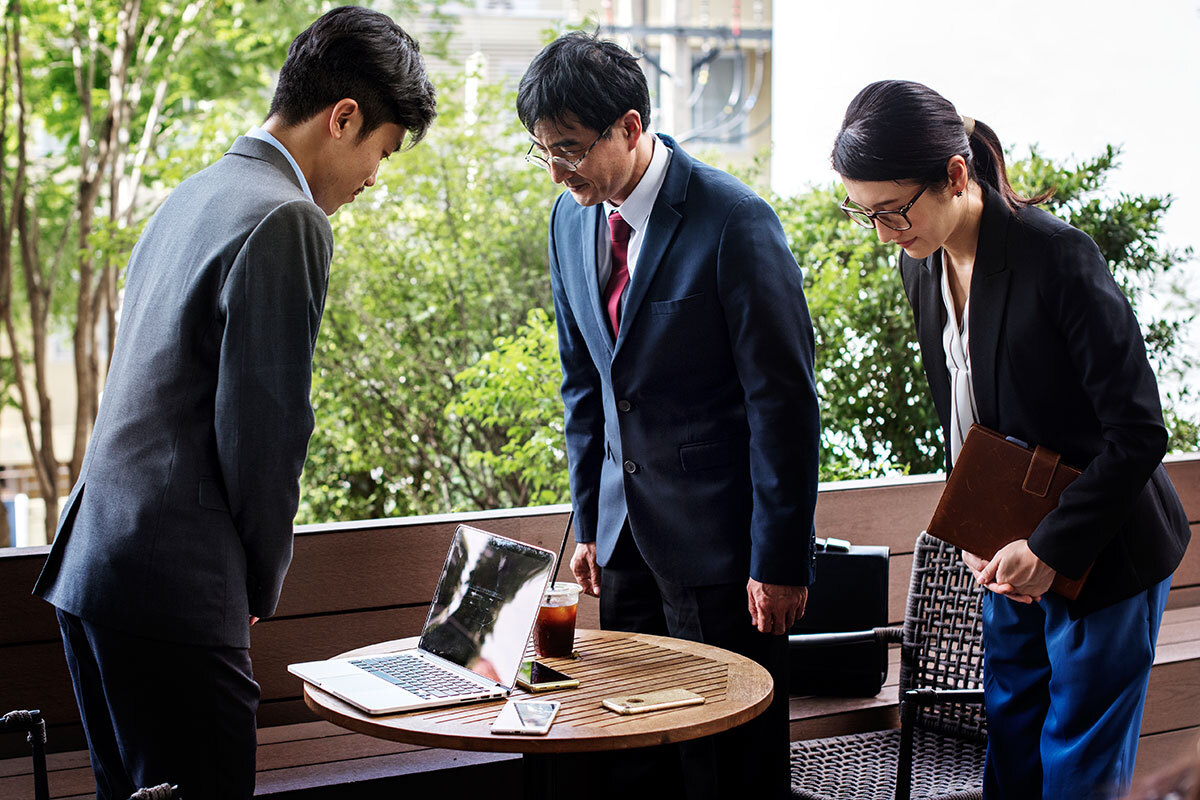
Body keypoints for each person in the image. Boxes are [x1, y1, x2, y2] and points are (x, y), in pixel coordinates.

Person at [32, 7, 436, 798]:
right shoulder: (289, 217)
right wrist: (255, 581)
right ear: (343, 117)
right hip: (175, 589)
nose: (372, 179)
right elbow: (266, 428)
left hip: (96, 571)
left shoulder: (192, 194)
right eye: (380, 152)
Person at [831, 79, 1190, 800]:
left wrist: (1051, 548)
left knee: (1077, 768)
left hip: (1101, 553)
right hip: (1002, 551)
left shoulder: (1057, 258)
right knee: (1012, 748)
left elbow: (1139, 430)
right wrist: (978, 529)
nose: (883, 234)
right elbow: (972, 421)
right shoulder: (920, 264)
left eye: (892, 212)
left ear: (955, 176)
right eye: (863, 213)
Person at [516, 32, 820, 800]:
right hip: (622, 546)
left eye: (571, 149)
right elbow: (583, 384)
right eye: (542, 150)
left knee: (729, 765)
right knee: (633, 757)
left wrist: (779, 559)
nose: (556, 170)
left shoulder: (735, 222)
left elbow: (782, 404)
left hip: (723, 553)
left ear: (629, 126)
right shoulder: (568, 220)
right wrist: (589, 521)